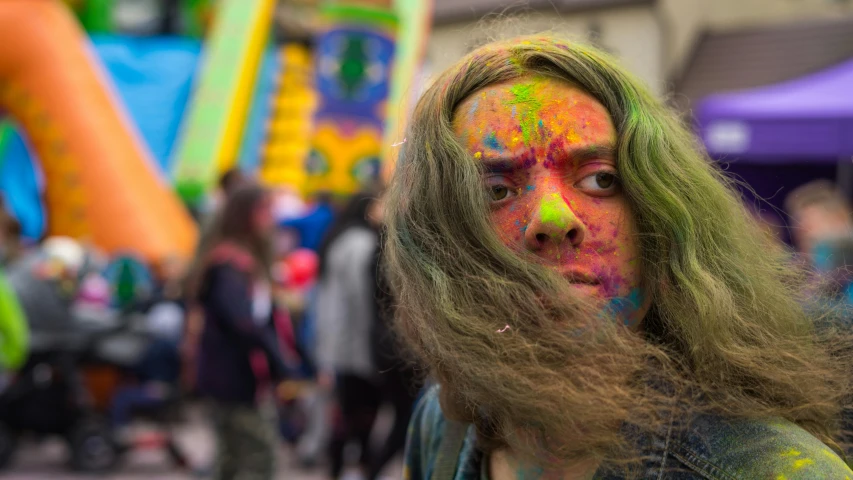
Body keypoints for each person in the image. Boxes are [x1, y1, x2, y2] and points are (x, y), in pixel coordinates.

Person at [385, 37, 853, 479]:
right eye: (496, 190)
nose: (552, 219)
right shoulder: (441, 423)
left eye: (601, 180)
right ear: (439, 242)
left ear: (662, 219)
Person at [188, 185, 289, 480]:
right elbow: (244, 323)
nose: (270, 219)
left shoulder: (238, 260)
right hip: (234, 378)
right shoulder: (229, 265)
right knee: (257, 458)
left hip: (234, 376)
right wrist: (281, 363)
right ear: (246, 215)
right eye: (264, 210)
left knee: (231, 459)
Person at [315, 191, 383, 479]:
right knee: (359, 415)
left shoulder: (338, 239)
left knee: (343, 413)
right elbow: (362, 300)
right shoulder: (362, 244)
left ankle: (337, 468)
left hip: (336, 342)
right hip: (355, 345)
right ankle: (355, 468)